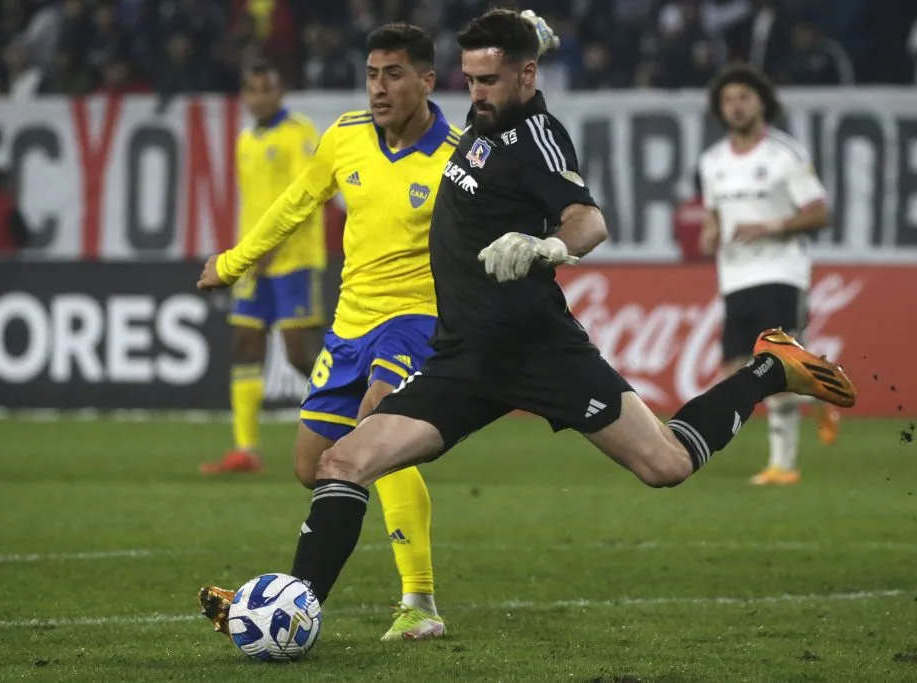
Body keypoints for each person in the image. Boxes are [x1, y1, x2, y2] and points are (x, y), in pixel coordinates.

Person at [198, 8, 857, 628]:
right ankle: (290, 611)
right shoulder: (484, 115)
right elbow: (491, 70)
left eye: (489, 80)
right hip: (461, 358)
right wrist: (526, 33)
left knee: (667, 464)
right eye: (470, 79)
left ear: (527, 76)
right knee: (343, 461)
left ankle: (770, 367)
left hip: (539, 353)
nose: (476, 93)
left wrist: (550, 247)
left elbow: (588, 219)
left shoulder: (538, 138)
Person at [197, 25, 466, 641]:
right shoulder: (344, 137)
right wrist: (234, 263)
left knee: (377, 435)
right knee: (312, 466)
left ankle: (416, 603)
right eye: (372, 74)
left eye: (393, 74)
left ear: (427, 80)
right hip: (351, 324)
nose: (379, 88)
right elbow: (294, 205)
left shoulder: (456, 156)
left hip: (414, 322)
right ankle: (293, 604)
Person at [698, 63, 837, 486]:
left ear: (762, 103)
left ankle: (783, 465)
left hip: (781, 271)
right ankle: (820, 387)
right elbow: (714, 215)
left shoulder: (784, 154)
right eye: (728, 100)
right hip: (734, 277)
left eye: (744, 97)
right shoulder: (712, 161)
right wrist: (710, 232)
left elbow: (820, 213)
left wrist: (771, 226)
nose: (736, 106)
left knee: (774, 365)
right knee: (735, 368)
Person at [200, 61, 327, 475]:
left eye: (265, 89)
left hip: (294, 260)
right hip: (254, 261)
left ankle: (358, 423)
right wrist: (249, 251)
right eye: (251, 90)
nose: (258, 98)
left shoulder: (299, 133)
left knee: (299, 355)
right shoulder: (245, 139)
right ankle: (246, 449)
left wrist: (273, 245)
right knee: (244, 343)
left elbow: (309, 195)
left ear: (280, 91)